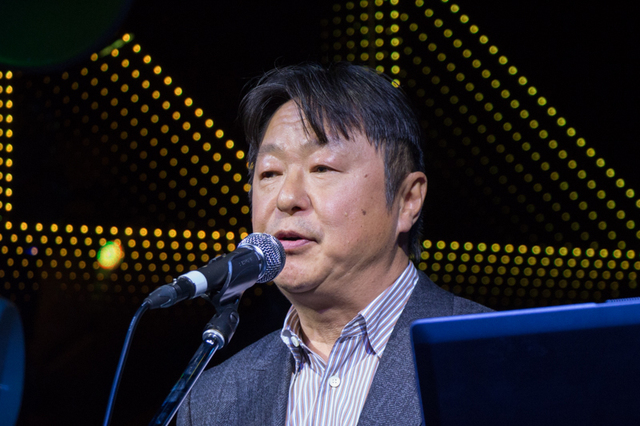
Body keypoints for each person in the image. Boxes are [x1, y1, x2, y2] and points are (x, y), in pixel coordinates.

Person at [177, 63, 491, 426]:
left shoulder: (494, 354)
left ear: (407, 200)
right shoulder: (210, 402)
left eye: (322, 168)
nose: (287, 198)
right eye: (270, 173)